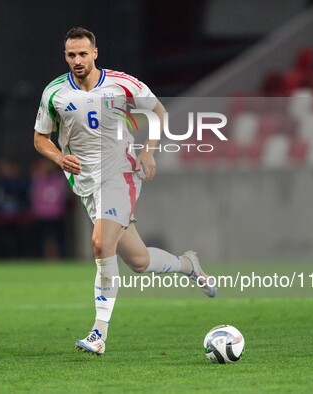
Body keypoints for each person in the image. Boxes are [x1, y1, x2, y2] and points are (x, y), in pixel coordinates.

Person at [33, 27, 215, 356]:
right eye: (71, 55)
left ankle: (98, 334)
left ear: (95, 53)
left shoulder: (122, 84)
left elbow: (159, 111)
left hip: (121, 173)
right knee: (139, 260)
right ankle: (188, 264)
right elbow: (40, 139)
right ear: (65, 56)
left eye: (83, 54)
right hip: (86, 184)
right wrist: (59, 157)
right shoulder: (54, 93)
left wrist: (149, 150)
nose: (77, 60)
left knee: (101, 243)